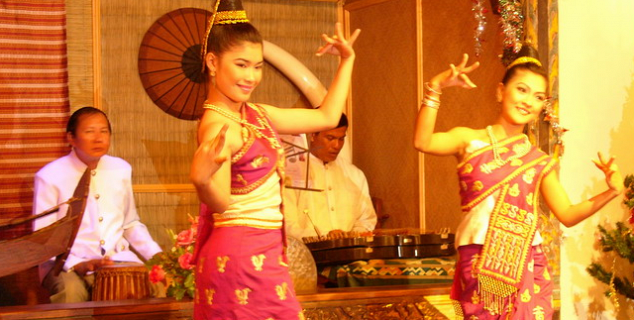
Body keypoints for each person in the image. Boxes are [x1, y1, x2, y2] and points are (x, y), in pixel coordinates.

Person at [413, 47, 624, 319]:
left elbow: (568, 215)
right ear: (501, 91)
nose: (528, 101)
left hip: (528, 263)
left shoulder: (538, 161)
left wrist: (612, 190)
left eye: (538, 97)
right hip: (479, 258)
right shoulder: (469, 140)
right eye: (522, 90)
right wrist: (436, 87)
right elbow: (423, 141)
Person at [188, 0, 360, 318]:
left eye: (258, 66)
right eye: (241, 65)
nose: (251, 76)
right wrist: (201, 181)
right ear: (213, 62)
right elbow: (222, 203)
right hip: (239, 256)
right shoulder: (218, 125)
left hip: (266, 251)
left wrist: (347, 61)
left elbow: (327, 116)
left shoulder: (258, 114)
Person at [32, 106, 162, 303]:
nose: (99, 138)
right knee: (71, 292)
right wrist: (78, 264)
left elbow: (130, 224)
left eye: (104, 131)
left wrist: (157, 257)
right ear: (71, 138)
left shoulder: (121, 169)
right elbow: (44, 239)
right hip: (64, 264)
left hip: (117, 259)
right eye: (89, 132)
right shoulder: (49, 177)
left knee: (160, 284)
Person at [283, 113, 377, 240]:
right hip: (308, 255)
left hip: (350, 254)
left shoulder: (355, 175)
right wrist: (324, 237)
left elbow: (366, 221)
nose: (336, 145)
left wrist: (348, 238)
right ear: (312, 135)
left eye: (341, 139)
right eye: (330, 138)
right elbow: (286, 225)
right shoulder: (292, 173)